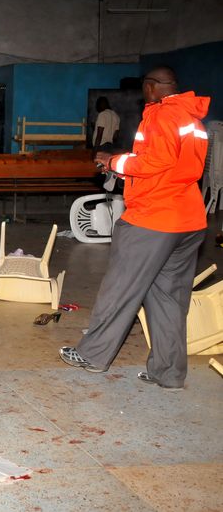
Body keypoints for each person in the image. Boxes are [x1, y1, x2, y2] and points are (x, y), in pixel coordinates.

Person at [59, 67, 209, 391]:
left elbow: (154, 162)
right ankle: (168, 372)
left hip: (153, 219)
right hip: (189, 220)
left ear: (152, 87)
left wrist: (114, 162)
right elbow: (178, 167)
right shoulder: (193, 120)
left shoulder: (161, 114)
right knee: (169, 299)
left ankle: (93, 355)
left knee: (120, 288)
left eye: (145, 86)